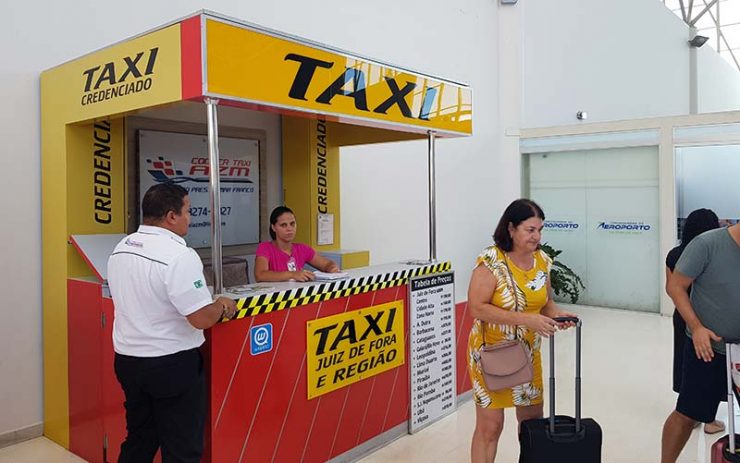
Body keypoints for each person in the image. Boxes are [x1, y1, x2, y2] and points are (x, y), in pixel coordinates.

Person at [107, 183, 237, 463]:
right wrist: (223, 306)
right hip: (171, 366)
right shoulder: (179, 255)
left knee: (140, 439)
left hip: (129, 362)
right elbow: (201, 317)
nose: (190, 217)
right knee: (182, 448)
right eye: (187, 211)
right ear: (171, 216)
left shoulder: (122, 247)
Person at [467, 198, 577, 462]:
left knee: (531, 426)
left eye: (540, 229)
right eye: (530, 230)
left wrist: (559, 315)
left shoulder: (542, 261)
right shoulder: (491, 261)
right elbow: (477, 308)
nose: (536, 236)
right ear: (511, 229)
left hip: (527, 355)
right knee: (490, 427)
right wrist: (526, 320)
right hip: (490, 354)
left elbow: (545, 303)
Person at [661, 221, 740, 463]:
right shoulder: (708, 244)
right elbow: (675, 286)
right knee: (688, 413)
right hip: (707, 348)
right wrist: (696, 327)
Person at [665, 209, 721, 435]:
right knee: (710, 364)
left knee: (685, 360)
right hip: (706, 318)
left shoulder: (674, 253)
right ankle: (709, 420)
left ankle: (690, 413)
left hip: (682, 315)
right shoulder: (713, 253)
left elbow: (671, 288)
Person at [254, 206, 340, 282]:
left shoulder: (302, 249)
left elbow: (326, 264)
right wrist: (292, 274)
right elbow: (260, 275)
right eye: (283, 225)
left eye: (292, 224)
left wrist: (332, 268)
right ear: (273, 227)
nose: (289, 229)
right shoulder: (265, 248)